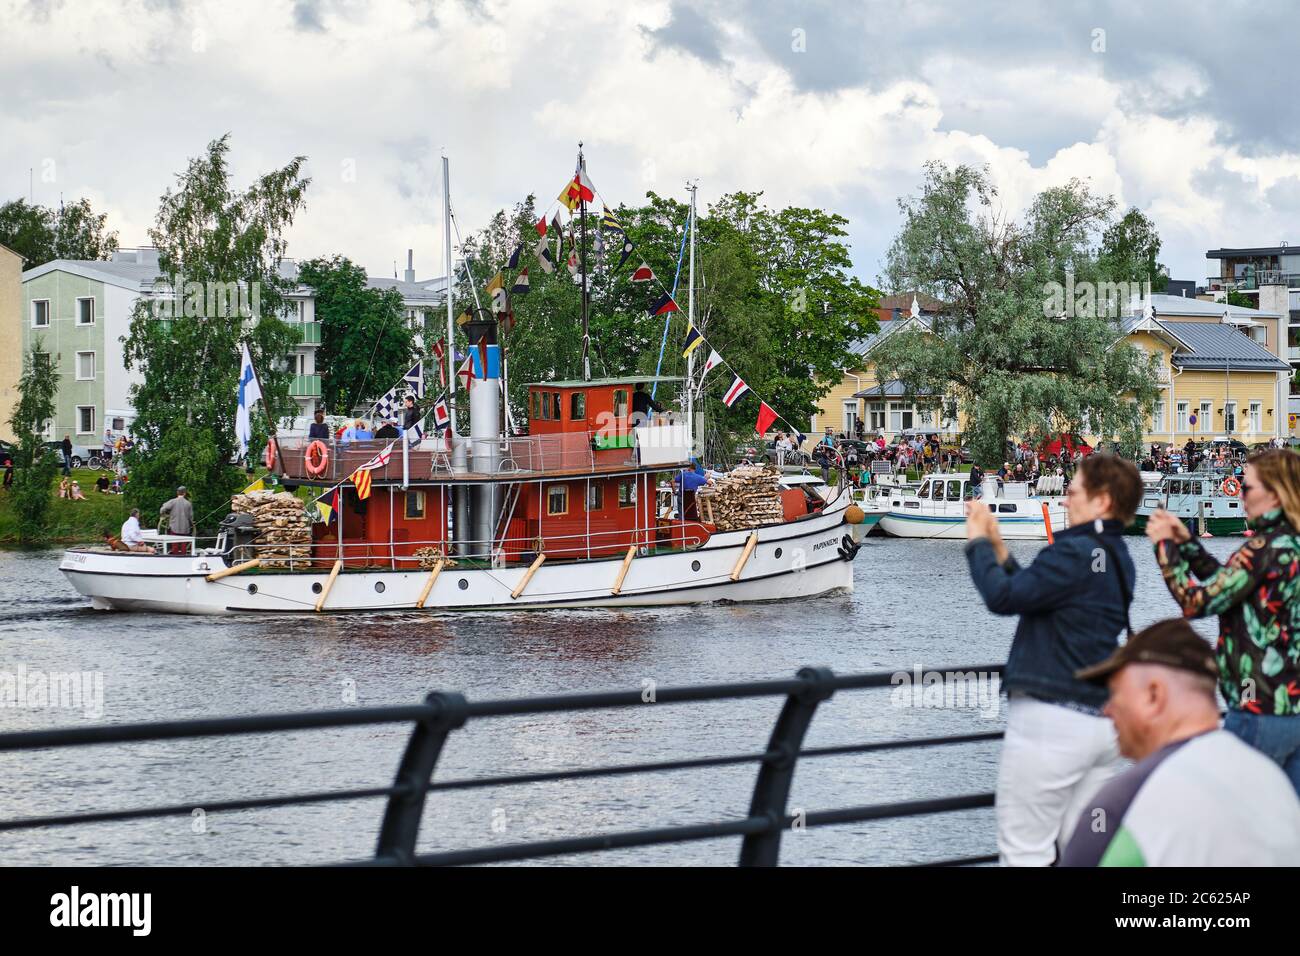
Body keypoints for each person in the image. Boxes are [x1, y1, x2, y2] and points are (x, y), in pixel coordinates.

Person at [965, 453, 1143, 866]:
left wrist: (975, 543)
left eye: (1073, 491)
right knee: (1083, 852)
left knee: (1024, 850)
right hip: (1099, 725)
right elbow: (1035, 592)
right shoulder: (1117, 555)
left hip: (1052, 724)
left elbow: (1003, 598)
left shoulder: (1076, 551)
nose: (1064, 501)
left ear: (1101, 501)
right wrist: (997, 547)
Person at [1061, 618, 1300, 866]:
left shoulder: (1128, 799)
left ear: (1155, 695)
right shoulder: (1275, 784)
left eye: (1116, 694)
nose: (1106, 710)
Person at [1147, 449, 1300, 792]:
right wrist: (1187, 543)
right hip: (1293, 709)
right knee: (1287, 831)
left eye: (1247, 489)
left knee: (1229, 820)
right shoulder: (1291, 544)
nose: (1239, 495)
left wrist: (1164, 548)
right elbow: (1232, 585)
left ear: (1274, 494)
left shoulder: (1260, 549)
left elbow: (1196, 602)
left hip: (1257, 710)